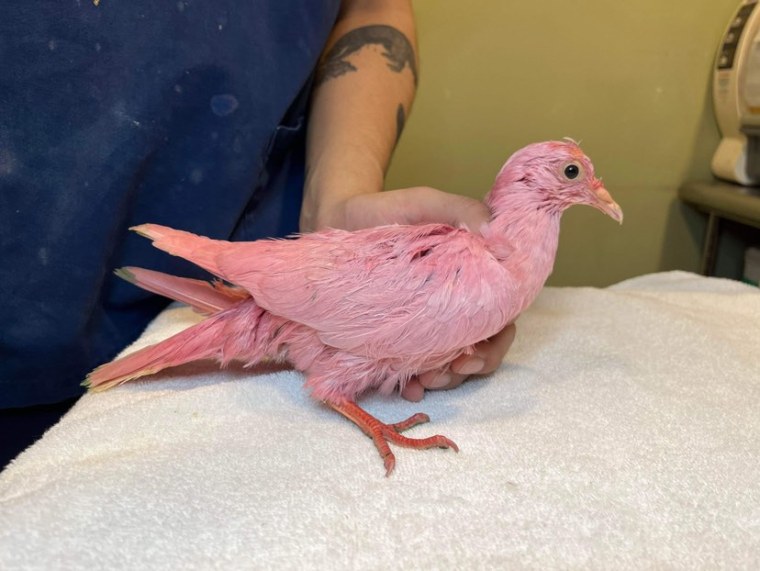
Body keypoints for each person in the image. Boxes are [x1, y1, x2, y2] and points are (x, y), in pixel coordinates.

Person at [0, 0, 515, 469]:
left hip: (285, 257)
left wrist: (335, 201)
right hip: (23, 289)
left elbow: (371, 6)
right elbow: (330, 386)